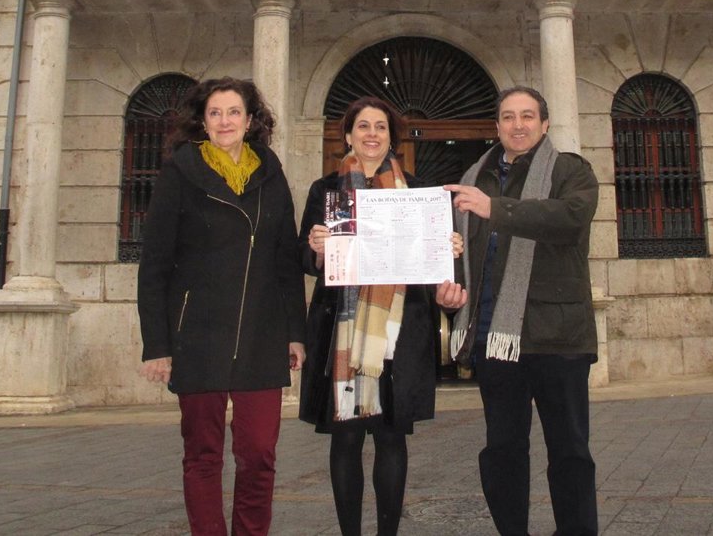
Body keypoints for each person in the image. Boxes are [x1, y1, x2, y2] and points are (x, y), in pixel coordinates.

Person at [137, 77, 306, 536]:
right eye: (215, 113)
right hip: (198, 335)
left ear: (250, 121)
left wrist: (296, 332)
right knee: (202, 454)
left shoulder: (270, 172)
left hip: (261, 333)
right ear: (203, 121)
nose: (225, 121)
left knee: (259, 454)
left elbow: (286, 260)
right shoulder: (181, 171)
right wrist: (157, 345)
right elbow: (154, 265)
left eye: (234, 112)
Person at [298, 96, 467, 536]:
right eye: (363, 126)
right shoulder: (326, 191)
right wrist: (317, 248)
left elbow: (433, 268)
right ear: (348, 135)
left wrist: (446, 251)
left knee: (392, 437)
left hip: (400, 331)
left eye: (380, 127)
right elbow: (303, 259)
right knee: (346, 438)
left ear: (392, 138)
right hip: (340, 331)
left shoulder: (419, 193)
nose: (371, 134)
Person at [445, 86, 600, 536]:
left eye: (528, 116)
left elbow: (568, 219)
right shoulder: (476, 176)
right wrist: (448, 285)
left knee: (570, 450)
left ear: (545, 124)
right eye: (509, 117)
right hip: (495, 337)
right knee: (502, 451)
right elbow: (462, 251)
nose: (518, 125)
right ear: (497, 126)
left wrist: (494, 209)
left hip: (558, 337)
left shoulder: (571, 170)